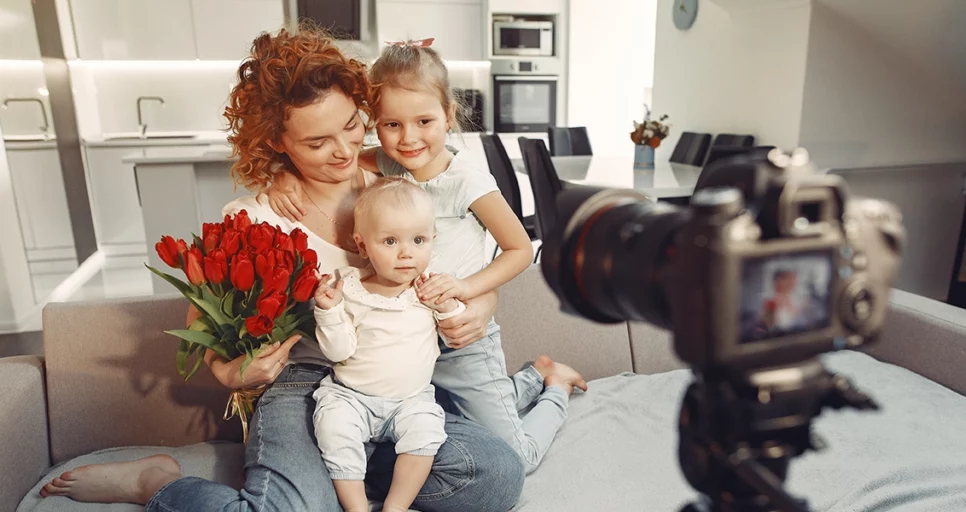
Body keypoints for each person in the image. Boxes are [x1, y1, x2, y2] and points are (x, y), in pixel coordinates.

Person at [39, 27, 524, 512]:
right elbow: (200, 327)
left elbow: (467, 260)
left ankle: (340, 476)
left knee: (497, 477)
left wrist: (482, 303)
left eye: (353, 125)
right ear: (277, 141)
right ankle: (157, 483)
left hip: (402, 385)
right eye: (316, 142)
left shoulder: (400, 180)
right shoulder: (256, 217)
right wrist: (231, 373)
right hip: (308, 385)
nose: (343, 151)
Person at [267, 38, 587, 474]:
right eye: (391, 124)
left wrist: (469, 288)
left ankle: (555, 386)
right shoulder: (388, 163)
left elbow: (519, 249)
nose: (409, 138)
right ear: (376, 125)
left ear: (449, 115)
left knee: (518, 458)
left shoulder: (467, 180)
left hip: (461, 343)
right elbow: (325, 162)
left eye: (424, 121)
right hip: (412, 346)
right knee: (462, 421)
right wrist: (282, 175)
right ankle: (528, 380)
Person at [311, 178, 462, 512]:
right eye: (390, 241)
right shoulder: (348, 287)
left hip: (411, 399)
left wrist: (447, 306)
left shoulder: (429, 289)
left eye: (418, 240)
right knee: (333, 429)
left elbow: (455, 336)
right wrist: (329, 311)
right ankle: (356, 507)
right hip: (351, 395)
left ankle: (396, 505)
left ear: (432, 242)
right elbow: (337, 352)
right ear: (362, 246)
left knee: (426, 433)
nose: (406, 252)